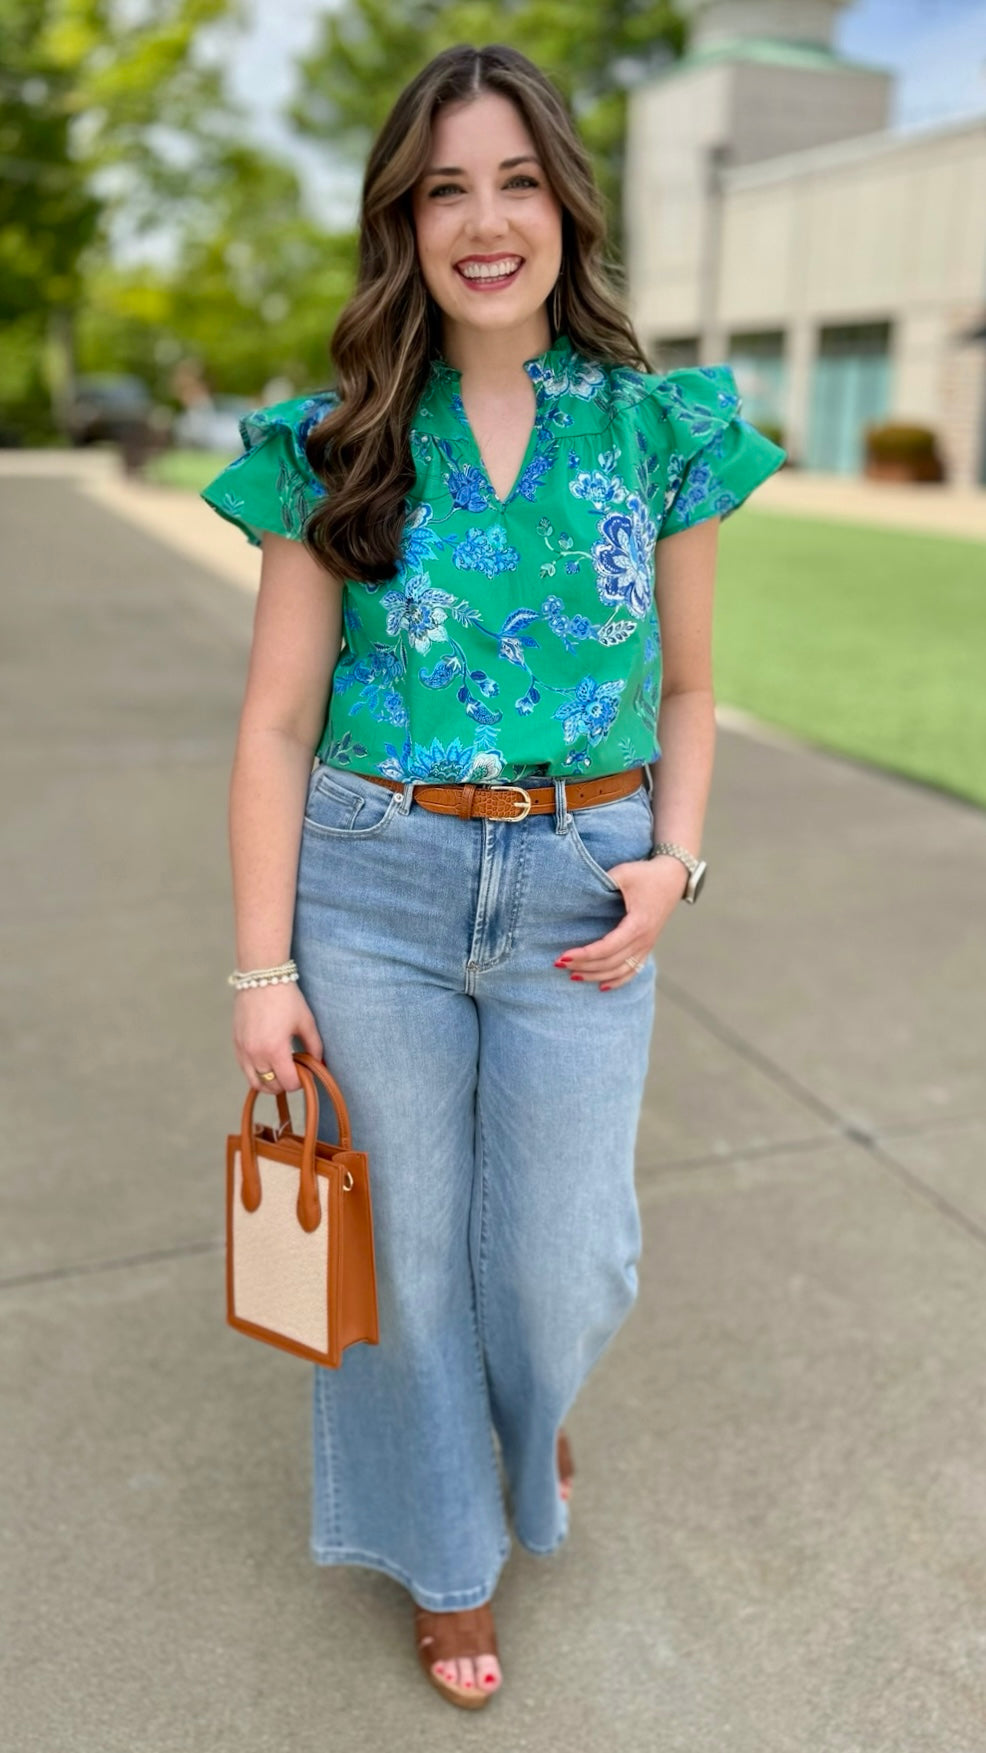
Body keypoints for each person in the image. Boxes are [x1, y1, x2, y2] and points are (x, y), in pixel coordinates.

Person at [200, 42, 786, 1711]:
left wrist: (673, 859)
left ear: (565, 207)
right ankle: (449, 1557)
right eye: (443, 187)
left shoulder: (658, 431)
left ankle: (527, 1411)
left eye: (515, 181)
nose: (483, 220)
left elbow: (689, 689)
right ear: (401, 219)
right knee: (406, 1260)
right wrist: (262, 967)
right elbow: (274, 722)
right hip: (371, 886)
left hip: (582, 892)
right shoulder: (331, 445)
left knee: (557, 1262)